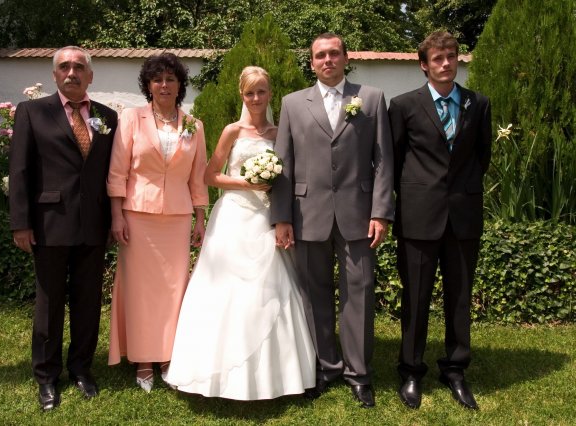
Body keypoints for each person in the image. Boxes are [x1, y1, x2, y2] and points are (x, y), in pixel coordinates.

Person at [166, 66, 316, 400]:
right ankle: (216, 372)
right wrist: (246, 183)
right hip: (234, 216)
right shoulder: (232, 131)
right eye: (250, 93)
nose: (256, 98)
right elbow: (210, 175)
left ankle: (279, 374)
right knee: (224, 290)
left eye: (261, 91)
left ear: (270, 93)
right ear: (242, 95)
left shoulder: (280, 132)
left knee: (273, 289)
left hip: (267, 218)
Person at [270, 33, 394, 408]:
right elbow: (283, 163)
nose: (328, 60)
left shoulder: (371, 98)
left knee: (360, 292)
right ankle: (326, 367)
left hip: (359, 213)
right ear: (311, 62)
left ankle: (359, 373)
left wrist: (380, 211)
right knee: (314, 294)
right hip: (307, 213)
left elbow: (383, 160)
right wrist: (281, 217)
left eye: (334, 53)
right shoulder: (292, 103)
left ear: (345, 58)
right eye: (320, 55)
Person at [9, 46, 118, 411]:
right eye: (65, 67)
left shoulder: (107, 117)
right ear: (55, 74)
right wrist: (21, 223)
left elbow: (110, 171)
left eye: (79, 67)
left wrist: (114, 218)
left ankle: (82, 368)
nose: (72, 72)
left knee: (88, 302)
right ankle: (46, 376)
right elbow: (19, 170)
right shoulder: (32, 112)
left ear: (90, 75)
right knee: (49, 303)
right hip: (49, 223)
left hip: (93, 224)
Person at [388, 31, 492, 410]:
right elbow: (395, 160)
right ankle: (411, 371)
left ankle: (455, 369)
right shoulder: (403, 105)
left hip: (463, 216)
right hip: (419, 217)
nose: (446, 63)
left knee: (460, 298)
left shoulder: (478, 104)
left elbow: (482, 156)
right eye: (437, 58)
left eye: (451, 56)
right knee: (416, 297)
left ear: (457, 59)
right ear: (424, 64)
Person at [107, 53, 208, 393]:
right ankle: (143, 358)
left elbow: (198, 177)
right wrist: (116, 215)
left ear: (180, 85)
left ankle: (167, 355)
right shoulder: (131, 118)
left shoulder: (194, 125)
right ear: (148, 85)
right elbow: (118, 171)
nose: (164, 85)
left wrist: (200, 220)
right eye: (157, 79)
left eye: (171, 79)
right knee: (140, 290)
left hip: (177, 218)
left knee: (173, 288)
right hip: (137, 216)